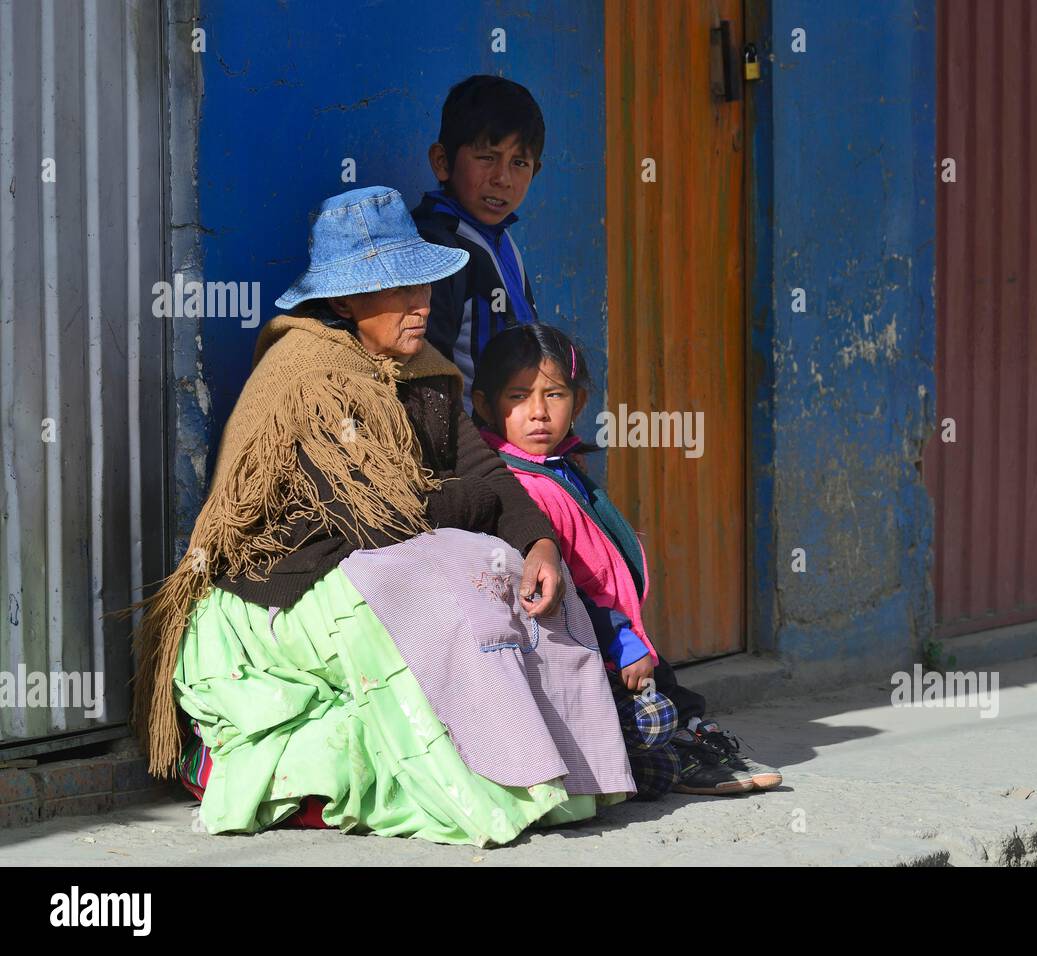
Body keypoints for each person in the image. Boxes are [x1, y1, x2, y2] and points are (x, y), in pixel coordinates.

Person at [131, 186, 640, 845]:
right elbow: (376, 514)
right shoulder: (306, 377)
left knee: (513, 572)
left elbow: (483, 474)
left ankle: (555, 774)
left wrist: (540, 544)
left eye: (423, 287)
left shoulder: (420, 370)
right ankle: (489, 788)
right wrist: (466, 502)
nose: (419, 305)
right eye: (397, 291)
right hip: (281, 593)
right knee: (449, 584)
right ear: (344, 302)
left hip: (375, 557)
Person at [471, 323, 784, 796]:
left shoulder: (557, 467)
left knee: (665, 689)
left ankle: (691, 744)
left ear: (577, 403)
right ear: (483, 406)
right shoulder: (517, 485)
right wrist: (617, 637)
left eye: (553, 395)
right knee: (650, 712)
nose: (538, 412)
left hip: (615, 631)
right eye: (518, 396)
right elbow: (565, 588)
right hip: (584, 636)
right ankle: (681, 753)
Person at [411, 75, 543, 411]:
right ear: (442, 161)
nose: (502, 179)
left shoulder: (502, 240)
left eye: (519, 163)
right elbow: (425, 375)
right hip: (470, 453)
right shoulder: (434, 248)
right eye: (487, 157)